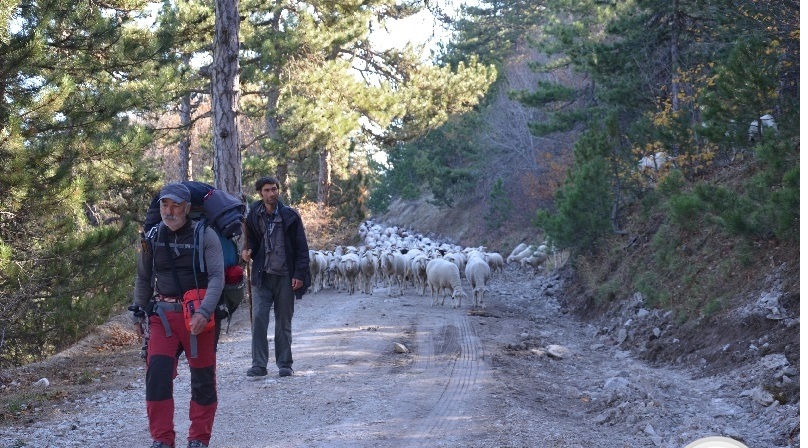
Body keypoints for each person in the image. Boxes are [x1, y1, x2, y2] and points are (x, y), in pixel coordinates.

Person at [132, 183, 224, 448]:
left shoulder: (204, 235)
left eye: (175, 205)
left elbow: (217, 277)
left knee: (203, 378)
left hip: (199, 317)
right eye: (164, 204)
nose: (168, 211)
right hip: (163, 317)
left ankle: (199, 438)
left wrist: (205, 312)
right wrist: (138, 313)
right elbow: (143, 278)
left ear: (186, 208)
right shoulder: (151, 237)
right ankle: (162, 439)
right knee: (157, 376)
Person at [242, 176, 310, 378]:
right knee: (259, 319)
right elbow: (252, 242)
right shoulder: (253, 216)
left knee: (283, 322)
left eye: (274, 189)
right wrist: (247, 251)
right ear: (260, 193)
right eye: (267, 190)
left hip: (285, 276)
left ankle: (285, 364)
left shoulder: (290, 216)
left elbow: (301, 249)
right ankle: (258, 364)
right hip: (262, 275)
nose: (272, 193)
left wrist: (299, 274)